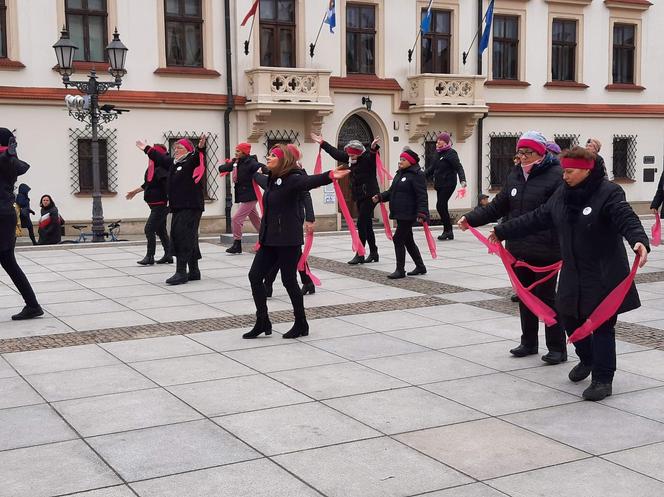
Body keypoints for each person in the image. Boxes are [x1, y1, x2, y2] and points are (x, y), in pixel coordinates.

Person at [490, 146, 649, 401]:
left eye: (570, 171)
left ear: (587, 171)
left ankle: (602, 378)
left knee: (602, 324)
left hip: (603, 272)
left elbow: (626, 217)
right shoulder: (563, 194)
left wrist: (639, 241)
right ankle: (587, 359)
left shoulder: (609, 193)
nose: (565, 176)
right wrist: (503, 231)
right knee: (569, 317)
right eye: (564, 171)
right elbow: (537, 217)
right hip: (574, 270)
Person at [458, 131, 567, 364]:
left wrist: (504, 230)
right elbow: (498, 206)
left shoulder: (556, 176)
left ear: (542, 152)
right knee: (525, 295)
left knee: (547, 298)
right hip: (518, 248)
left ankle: (557, 347)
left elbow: (544, 215)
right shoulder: (516, 175)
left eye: (529, 152)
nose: (524, 157)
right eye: (520, 152)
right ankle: (528, 342)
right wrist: (470, 219)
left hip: (546, 247)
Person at [244, 144, 350, 340]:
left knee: (289, 281)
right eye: (268, 155)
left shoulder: (293, 179)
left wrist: (329, 175)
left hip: (287, 240)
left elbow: (309, 182)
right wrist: (247, 162)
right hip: (269, 240)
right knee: (254, 276)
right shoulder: (271, 180)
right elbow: (256, 174)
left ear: (283, 160)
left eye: (272, 156)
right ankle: (262, 321)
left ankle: (301, 323)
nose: (268, 157)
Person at [137, 136, 206, 285]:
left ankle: (180, 273)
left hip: (191, 206)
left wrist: (200, 148)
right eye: (175, 148)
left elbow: (198, 157)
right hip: (178, 207)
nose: (176, 151)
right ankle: (194, 271)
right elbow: (160, 158)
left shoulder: (190, 161)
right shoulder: (174, 164)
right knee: (190, 238)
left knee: (181, 236)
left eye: (179, 148)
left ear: (188, 150)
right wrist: (146, 149)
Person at [311, 132, 380, 264]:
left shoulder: (366, 159)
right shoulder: (350, 158)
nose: (350, 157)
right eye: (349, 155)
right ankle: (374, 252)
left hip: (371, 196)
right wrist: (322, 143)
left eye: (353, 155)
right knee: (367, 224)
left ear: (359, 153)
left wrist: (373, 148)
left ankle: (360, 253)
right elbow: (336, 153)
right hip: (359, 195)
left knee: (361, 223)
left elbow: (373, 157)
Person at [260, 144, 317, 297]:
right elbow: (267, 175)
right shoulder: (280, 172)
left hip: (293, 219)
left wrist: (310, 218)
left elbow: (306, 195)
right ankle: (307, 281)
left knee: (284, 254)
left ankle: (268, 284)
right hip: (282, 219)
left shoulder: (297, 174)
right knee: (292, 254)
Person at [0, 128, 43, 320]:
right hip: (7, 214)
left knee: (9, 262)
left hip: (2, 215)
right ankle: (33, 305)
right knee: (9, 262)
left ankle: (33, 305)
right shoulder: (8, 161)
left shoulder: (7, 161)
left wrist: (7, 153)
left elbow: (16, 164)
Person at [373, 148, 429, 279]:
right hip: (400, 212)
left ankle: (400, 270)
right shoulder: (400, 174)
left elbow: (422, 195)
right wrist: (380, 197)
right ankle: (420, 266)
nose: (400, 162)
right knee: (408, 240)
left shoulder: (417, 175)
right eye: (400, 159)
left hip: (409, 213)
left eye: (403, 160)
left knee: (398, 238)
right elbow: (392, 191)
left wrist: (422, 213)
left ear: (410, 161)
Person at [126, 144, 172, 265]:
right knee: (161, 230)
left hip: (161, 205)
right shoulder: (152, 168)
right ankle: (168, 255)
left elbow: (168, 187)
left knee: (149, 229)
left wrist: (170, 203)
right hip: (153, 205)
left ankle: (150, 256)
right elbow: (147, 184)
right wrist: (134, 192)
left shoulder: (162, 169)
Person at [219, 142, 263, 254]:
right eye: (236, 150)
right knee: (256, 221)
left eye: (238, 151)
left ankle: (237, 244)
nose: (236, 152)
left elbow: (261, 167)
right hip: (244, 196)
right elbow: (224, 168)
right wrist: (223, 167)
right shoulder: (236, 162)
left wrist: (267, 170)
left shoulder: (251, 162)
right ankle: (268, 240)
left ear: (244, 152)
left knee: (236, 219)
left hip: (250, 196)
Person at [424, 132, 466, 241]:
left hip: (449, 183)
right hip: (439, 184)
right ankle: (448, 231)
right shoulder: (437, 154)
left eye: (440, 140)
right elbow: (431, 169)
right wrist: (419, 175)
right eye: (437, 140)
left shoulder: (451, 153)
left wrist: (462, 180)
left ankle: (448, 231)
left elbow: (458, 167)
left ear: (446, 142)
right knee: (442, 206)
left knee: (440, 205)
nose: (437, 142)